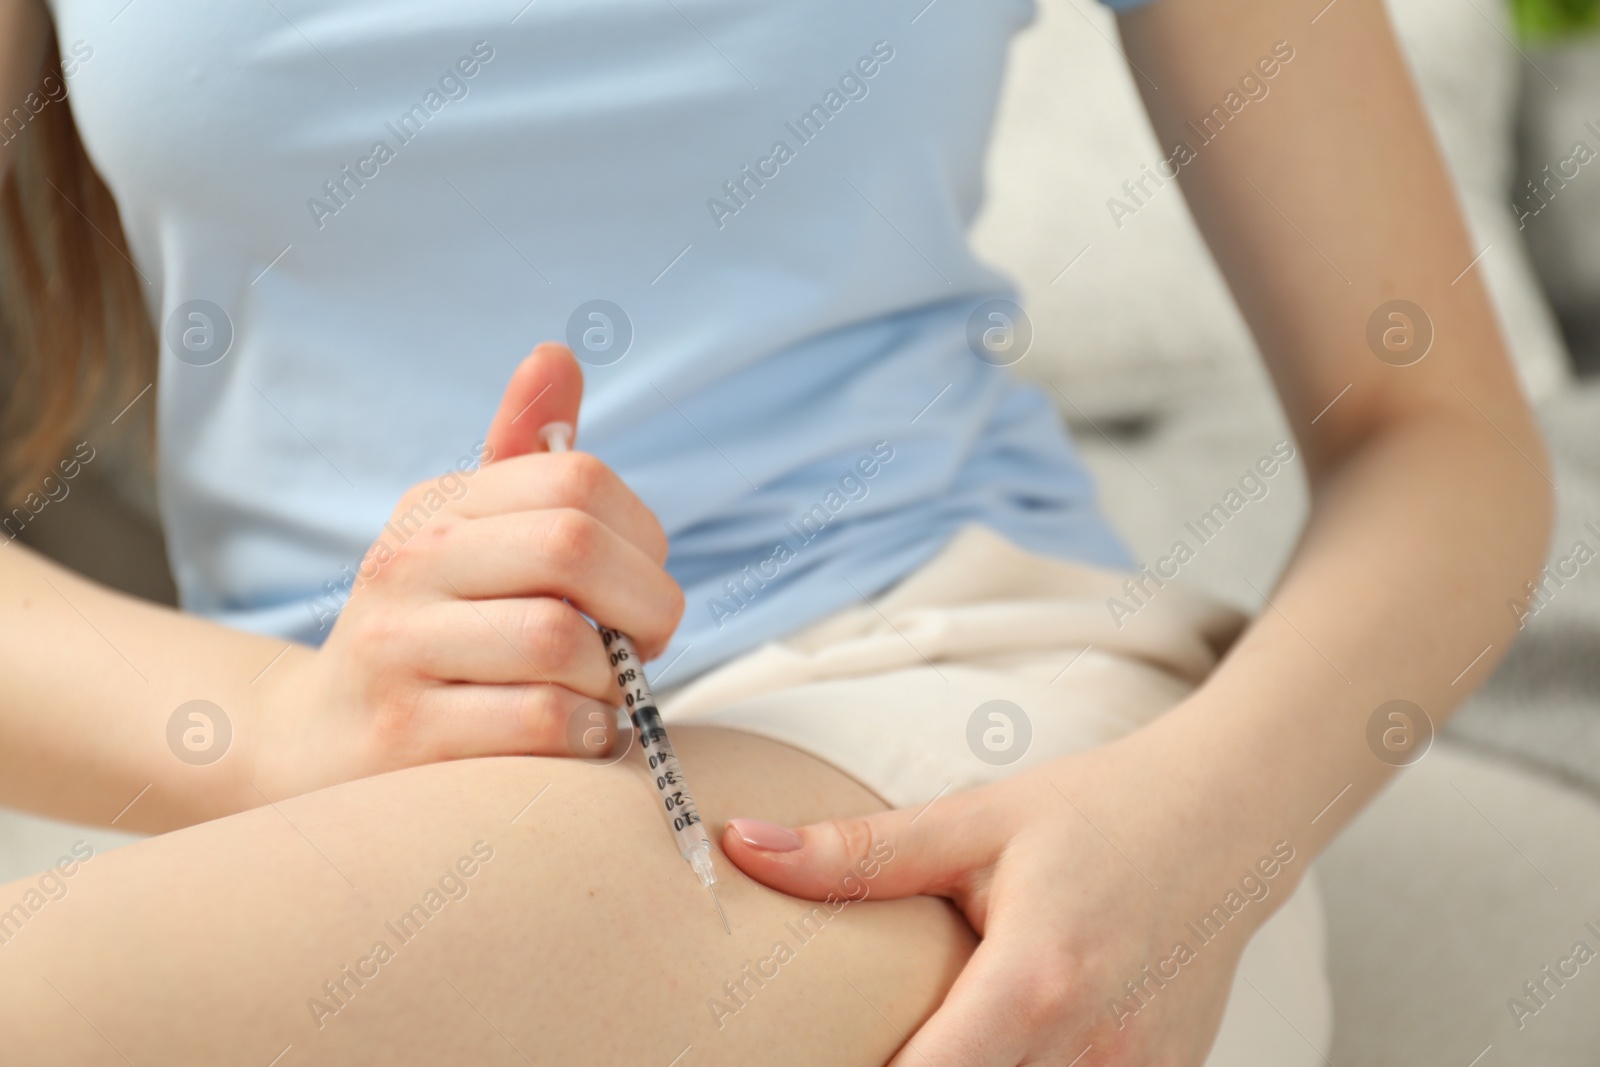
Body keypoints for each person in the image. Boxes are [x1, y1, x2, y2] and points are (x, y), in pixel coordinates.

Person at [0, 0, 1550, 1063]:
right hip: (330, 819)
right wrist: (276, 728)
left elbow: (1441, 436)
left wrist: (1208, 834)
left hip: (968, 727)